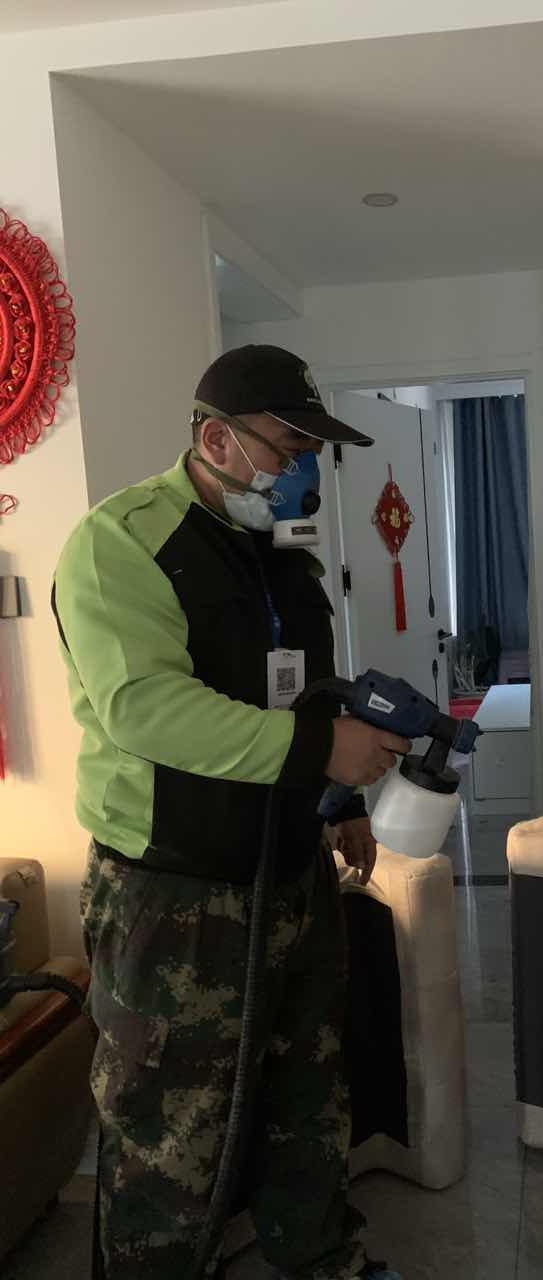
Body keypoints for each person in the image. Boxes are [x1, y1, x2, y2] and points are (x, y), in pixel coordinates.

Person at [53, 345, 410, 1280]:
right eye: (286, 448)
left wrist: (338, 801)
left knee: (309, 1095)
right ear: (216, 440)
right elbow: (145, 709)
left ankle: (322, 1258)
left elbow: (308, 690)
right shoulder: (122, 544)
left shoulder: (281, 555)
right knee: (169, 1127)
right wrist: (316, 752)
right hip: (173, 894)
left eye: (309, 453)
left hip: (291, 874)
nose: (300, 471)